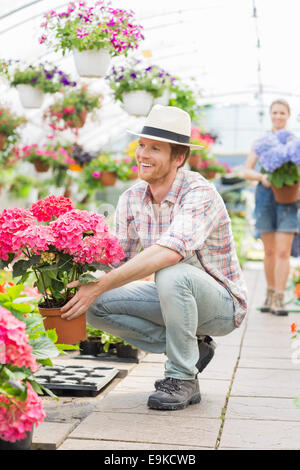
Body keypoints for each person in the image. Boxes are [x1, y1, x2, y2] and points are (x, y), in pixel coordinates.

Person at [61, 105, 248, 410]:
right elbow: (117, 262)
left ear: (179, 158)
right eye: (142, 145)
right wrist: (78, 277)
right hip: (172, 298)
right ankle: (192, 350)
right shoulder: (131, 198)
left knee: (170, 271)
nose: (143, 154)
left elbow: (169, 252)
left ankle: (182, 377)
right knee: (88, 302)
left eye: (155, 148)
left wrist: (103, 282)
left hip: (222, 305)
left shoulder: (199, 192)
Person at [244, 99, 298, 316]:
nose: (278, 116)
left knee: (284, 251)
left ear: (288, 115)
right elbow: (247, 171)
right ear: (270, 114)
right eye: (274, 112)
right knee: (270, 250)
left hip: (289, 198)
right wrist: (262, 176)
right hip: (265, 195)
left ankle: (279, 298)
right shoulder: (261, 141)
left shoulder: (295, 142)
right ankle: (269, 294)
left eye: (282, 113)